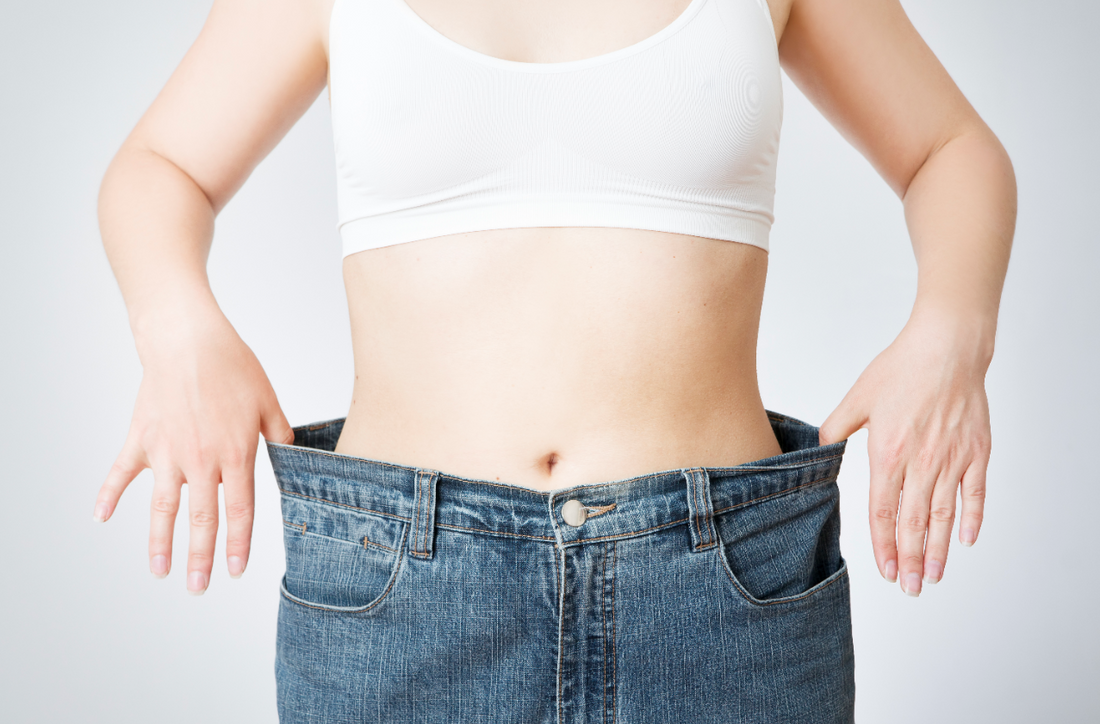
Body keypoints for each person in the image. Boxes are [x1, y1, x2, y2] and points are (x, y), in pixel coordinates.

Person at [92, 0, 1016, 720]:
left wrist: (952, 334)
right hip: (404, 599)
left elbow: (950, 148)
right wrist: (179, 331)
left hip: (721, 592)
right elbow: (162, 164)